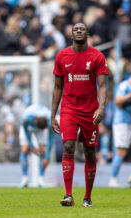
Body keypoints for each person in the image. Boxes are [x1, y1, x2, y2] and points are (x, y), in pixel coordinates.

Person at [51, 22, 108, 207]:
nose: (79, 31)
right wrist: (53, 114)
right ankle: (68, 195)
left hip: (90, 111)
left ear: (87, 33)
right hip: (69, 109)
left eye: (82, 29)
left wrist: (101, 108)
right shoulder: (62, 56)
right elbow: (58, 87)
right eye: (75, 29)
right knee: (68, 145)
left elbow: (103, 85)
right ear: (71, 34)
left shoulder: (97, 56)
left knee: (90, 151)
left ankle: (87, 197)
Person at [108, 68, 131, 188]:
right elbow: (118, 101)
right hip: (122, 122)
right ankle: (113, 179)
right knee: (122, 151)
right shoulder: (124, 86)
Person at [19, 104, 55, 188]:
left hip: (41, 125)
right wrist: (32, 146)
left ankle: (41, 179)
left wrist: (47, 156)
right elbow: (26, 130)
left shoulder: (50, 121)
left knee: (42, 150)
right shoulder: (27, 117)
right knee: (24, 149)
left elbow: (51, 138)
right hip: (28, 126)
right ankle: (24, 179)